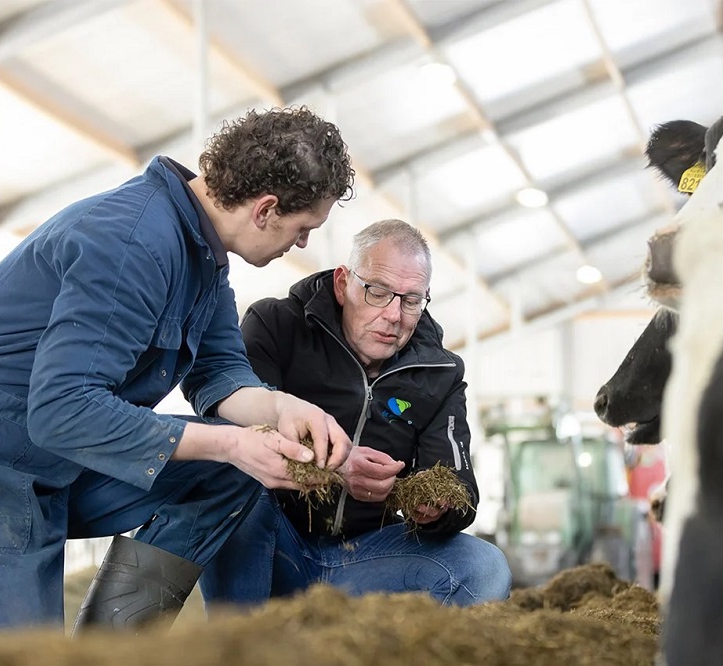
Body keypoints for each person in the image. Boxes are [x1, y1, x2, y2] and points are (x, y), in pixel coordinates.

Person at [0, 106, 357, 631]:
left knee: (225, 473)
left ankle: (110, 647)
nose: (301, 244)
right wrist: (235, 443)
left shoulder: (204, 260)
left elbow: (220, 374)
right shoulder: (135, 241)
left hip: (42, 458)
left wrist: (283, 408)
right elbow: (63, 409)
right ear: (265, 209)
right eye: (304, 228)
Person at [200, 219, 511, 608]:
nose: (395, 315)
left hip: (368, 556)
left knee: (486, 567)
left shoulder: (440, 374)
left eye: (411, 300)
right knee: (227, 480)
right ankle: (240, 643)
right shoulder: (276, 326)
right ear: (343, 283)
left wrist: (434, 509)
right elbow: (232, 427)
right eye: (378, 292)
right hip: (273, 544)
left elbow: (458, 486)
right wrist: (335, 467)